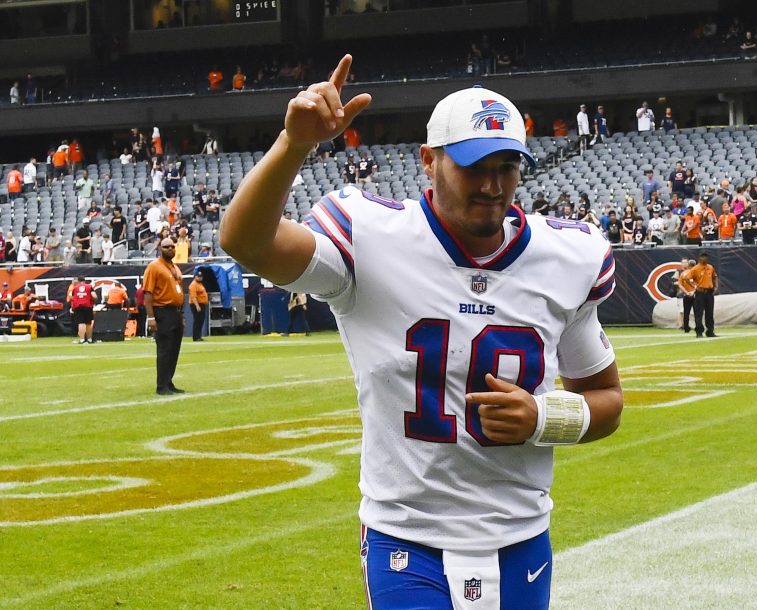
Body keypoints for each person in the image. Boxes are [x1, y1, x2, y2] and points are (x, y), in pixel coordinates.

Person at [218, 55, 623, 609]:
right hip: (406, 535)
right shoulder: (370, 235)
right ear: (428, 161)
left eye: (507, 166)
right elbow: (246, 242)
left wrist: (542, 417)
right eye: (474, 166)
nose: (492, 184)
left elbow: (606, 400)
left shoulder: (568, 256)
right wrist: (294, 146)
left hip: (519, 533)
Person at [143, 237, 186, 395]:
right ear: (160, 249)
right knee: (164, 349)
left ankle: (169, 381)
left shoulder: (174, 267)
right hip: (162, 311)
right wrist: (151, 317)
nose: (170, 249)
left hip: (175, 312)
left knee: (174, 349)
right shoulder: (154, 267)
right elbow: (148, 293)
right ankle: (161, 386)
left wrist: (181, 315)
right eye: (167, 247)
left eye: (173, 246)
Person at [686, 252, 718, 338]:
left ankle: (710, 331)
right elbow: (688, 278)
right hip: (700, 292)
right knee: (699, 313)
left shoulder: (710, 267)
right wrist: (695, 286)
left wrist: (716, 287)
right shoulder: (695, 268)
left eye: (706, 257)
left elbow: (714, 277)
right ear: (699, 258)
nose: (705, 258)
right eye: (703, 257)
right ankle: (699, 331)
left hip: (709, 292)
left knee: (710, 313)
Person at [70, 275, 96, 344]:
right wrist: (93, 300)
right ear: (84, 280)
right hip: (88, 306)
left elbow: (71, 296)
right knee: (88, 323)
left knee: (81, 323)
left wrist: (77, 300)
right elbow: (94, 296)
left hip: (78, 307)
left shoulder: (75, 288)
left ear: (78, 281)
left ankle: (82, 340)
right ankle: (89, 339)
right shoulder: (89, 286)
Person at [189, 270, 209, 341]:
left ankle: (199, 336)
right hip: (196, 304)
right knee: (197, 321)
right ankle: (195, 337)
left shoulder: (200, 284)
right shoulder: (193, 285)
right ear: (195, 277)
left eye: (201, 276)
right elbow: (193, 297)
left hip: (202, 304)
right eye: (198, 276)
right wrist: (197, 306)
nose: (200, 278)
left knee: (200, 320)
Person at [677, 258, 695, 333]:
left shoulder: (683, 273)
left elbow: (679, 284)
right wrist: (692, 292)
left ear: (688, 264)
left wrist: (687, 292)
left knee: (686, 312)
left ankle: (686, 327)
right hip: (689, 294)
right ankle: (682, 325)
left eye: (685, 263)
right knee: (683, 311)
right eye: (683, 262)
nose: (684, 264)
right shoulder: (679, 271)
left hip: (686, 294)